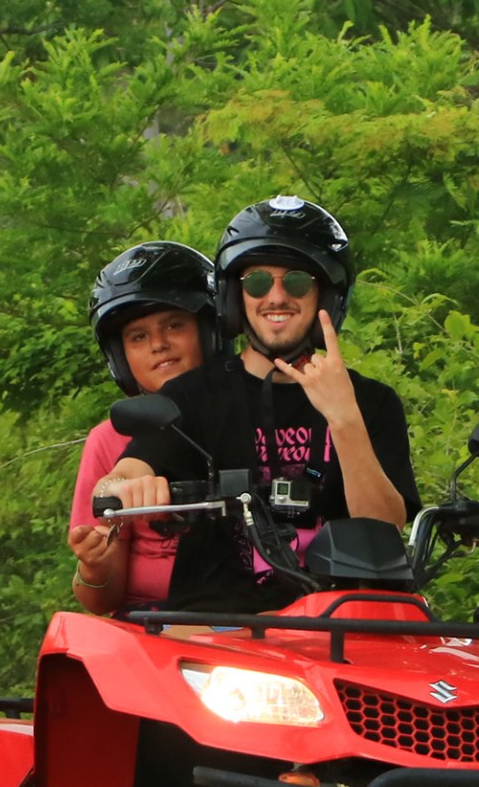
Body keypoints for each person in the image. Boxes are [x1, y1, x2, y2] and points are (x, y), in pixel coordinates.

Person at [96, 195, 420, 612]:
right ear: (235, 297)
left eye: (298, 282)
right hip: (218, 634)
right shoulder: (192, 397)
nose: (277, 297)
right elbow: (119, 476)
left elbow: (384, 528)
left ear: (325, 297)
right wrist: (125, 487)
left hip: (339, 626)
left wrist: (344, 419)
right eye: (258, 283)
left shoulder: (372, 403)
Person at [66, 242, 219, 615]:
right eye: (139, 336)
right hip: (150, 629)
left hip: (258, 623)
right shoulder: (110, 438)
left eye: (174, 325)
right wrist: (94, 564)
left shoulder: (246, 413)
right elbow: (101, 601)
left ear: (209, 331)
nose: (159, 345)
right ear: (120, 357)